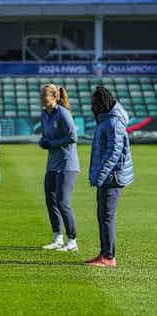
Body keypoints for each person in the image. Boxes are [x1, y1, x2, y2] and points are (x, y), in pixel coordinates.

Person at [85, 86, 134, 267]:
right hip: (107, 176)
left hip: (112, 177)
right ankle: (104, 253)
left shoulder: (113, 123)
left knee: (106, 216)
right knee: (103, 216)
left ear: (101, 103)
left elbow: (114, 153)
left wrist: (100, 175)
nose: (92, 106)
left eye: (94, 103)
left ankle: (108, 257)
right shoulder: (106, 120)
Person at [38, 84, 80, 252]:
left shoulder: (63, 113)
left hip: (67, 164)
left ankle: (72, 240)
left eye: (44, 96)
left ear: (54, 97)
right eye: (41, 96)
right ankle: (58, 237)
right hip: (52, 165)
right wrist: (43, 142)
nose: (41, 99)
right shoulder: (44, 114)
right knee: (51, 200)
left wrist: (52, 144)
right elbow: (45, 135)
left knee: (63, 202)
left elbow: (73, 137)